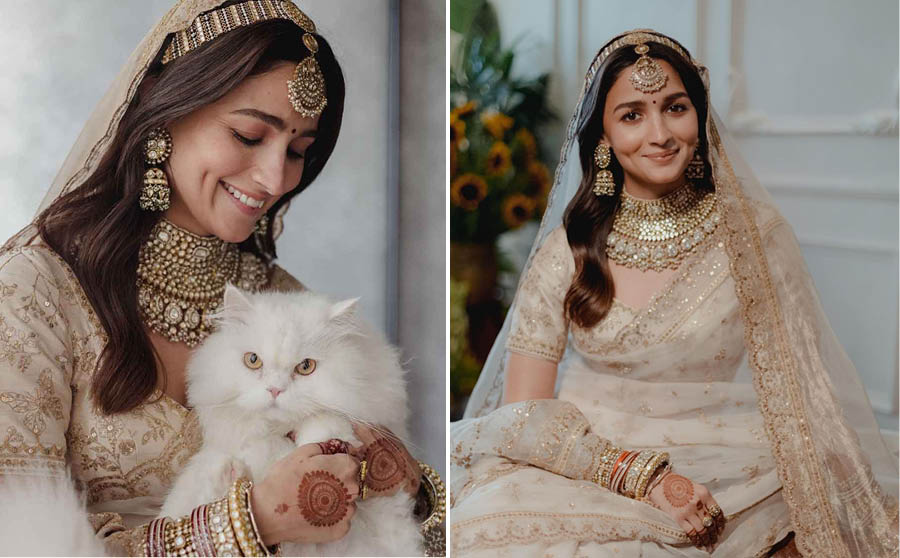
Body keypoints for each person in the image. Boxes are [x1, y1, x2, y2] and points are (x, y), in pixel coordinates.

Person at [0, 1, 442, 555]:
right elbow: (16, 536)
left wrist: (409, 488)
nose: (275, 177)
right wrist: (250, 523)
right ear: (165, 115)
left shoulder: (287, 305)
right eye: (250, 136)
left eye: (299, 151)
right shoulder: (34, 295)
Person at [450, 29, 898, 557]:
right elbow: (522, 415)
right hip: (586, 463)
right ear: (604, 136)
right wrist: (638, 476)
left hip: (731, 463)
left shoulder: (754, 236)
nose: (659, 134)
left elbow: (806, 392)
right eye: (632, 114)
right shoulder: (566, 251)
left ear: (700, 116)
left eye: (675, 107)